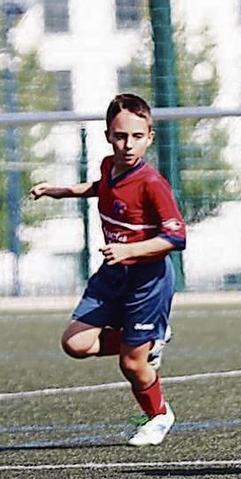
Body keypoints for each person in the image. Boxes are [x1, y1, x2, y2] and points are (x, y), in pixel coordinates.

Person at [29, 93, 186, 447]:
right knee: (76, 343)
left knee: (132, 366)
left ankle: (158, 415)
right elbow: (102, 189)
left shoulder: (152, 184)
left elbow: (176, 238)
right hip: (114, 274)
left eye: (136, 136)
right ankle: (151, 341)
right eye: (120, 136)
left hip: (147, 282)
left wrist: (129, 249)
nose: (127, 144)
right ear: (108, 136)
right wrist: (59, 191)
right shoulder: (108, 166)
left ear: (149, 137)